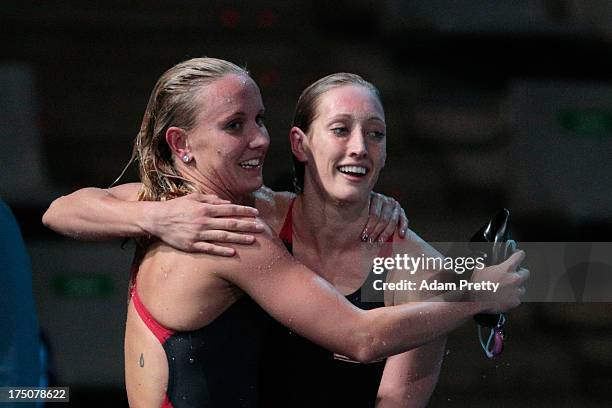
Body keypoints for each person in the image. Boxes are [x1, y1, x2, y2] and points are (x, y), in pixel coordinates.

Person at [43, 57, 528, 408]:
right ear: (182, 143)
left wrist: (153, 217)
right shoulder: (230, 233)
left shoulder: (179, 206)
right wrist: (478, 296)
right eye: (235, 124)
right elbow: (359, 338)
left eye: (258, 119)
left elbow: (61, 209)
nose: (259, 138)